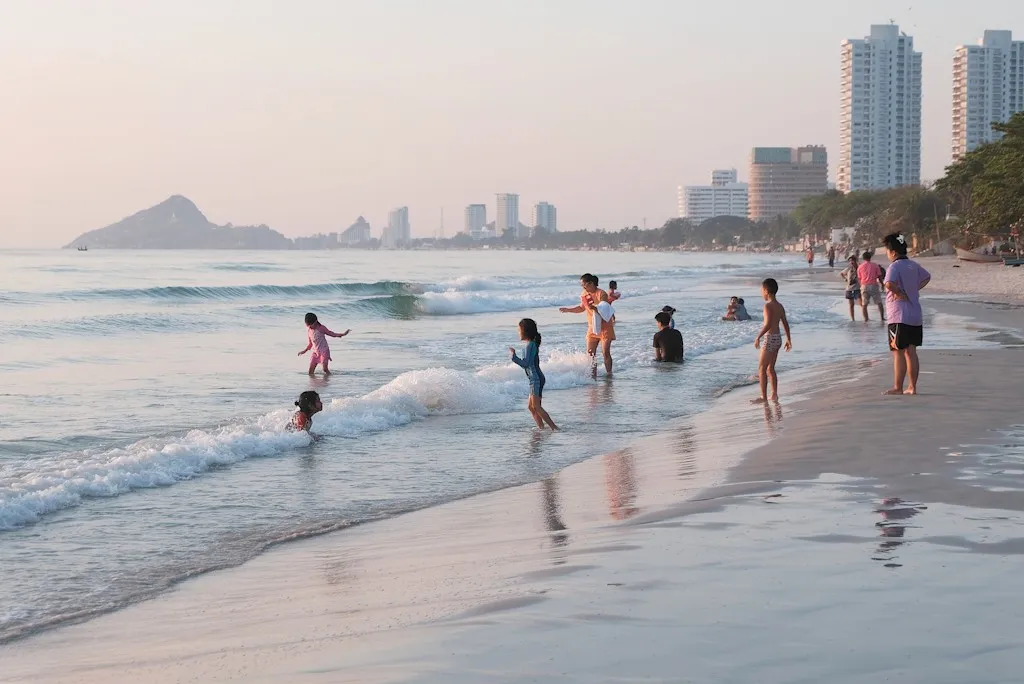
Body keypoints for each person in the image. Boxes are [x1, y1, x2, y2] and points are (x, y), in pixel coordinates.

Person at [882, 233, 931, 396]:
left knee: (898, 352)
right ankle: (912, 387)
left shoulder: (894, 266)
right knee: (911, 352)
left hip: (898, 315)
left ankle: (898, 386)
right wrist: (913, 289)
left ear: (893, 252)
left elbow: (888, 283)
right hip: (915, 315)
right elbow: (927, 277)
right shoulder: (913, 265)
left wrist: (899, 292)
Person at [559, 273, 615, 378]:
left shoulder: (601, 293)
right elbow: (582, 308)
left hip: (605, 326)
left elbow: (604, 308)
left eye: (584, 284)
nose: (583, 287)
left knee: (605, 352)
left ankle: (609, 375)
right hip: (592, 327)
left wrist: (594, 308)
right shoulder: (584, 294)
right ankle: (593, 377)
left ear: (591, 283)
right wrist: (568, 310)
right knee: (590, 354)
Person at [509, 318, 558, 430]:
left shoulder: (530, 345)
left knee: (536, 406)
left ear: (525, 331)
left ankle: (554, 428)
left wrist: (514, 357)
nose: (518, 332)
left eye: (519, 330)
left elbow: (526, 364)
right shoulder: (530, 345)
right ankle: (541, 428)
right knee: (531, 407)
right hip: (534, 379)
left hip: (536, 379)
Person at [753, 278, 792, 403]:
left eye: (761, 290)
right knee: (770, 368)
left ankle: (763, 397)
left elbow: (768, 324)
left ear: (766, 291)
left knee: (762, 368)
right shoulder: (780, 306)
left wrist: (758, 337)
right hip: (778, 338)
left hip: (769, 338)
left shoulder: (768, 306)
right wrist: (788, 339)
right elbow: (785, 323)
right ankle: (774, 394)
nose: (761, 293)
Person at [857, 250, 885, 321]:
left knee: (864, 304)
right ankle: (882, 318)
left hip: (864, 285)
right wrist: (882, 284)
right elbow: (879, 276)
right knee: (879, 302)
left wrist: (861, 286)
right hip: (873, 285)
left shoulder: (860, 267)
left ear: (863, 258)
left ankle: (866, 319)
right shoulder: (875, 265)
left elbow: (859, 278)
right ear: (870, 257)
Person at [840, 255, 863, 321]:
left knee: (862, 304)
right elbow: (841, 273)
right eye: (850, 261)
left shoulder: (859, 268)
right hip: (849, 288)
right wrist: (845, 279)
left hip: (858, 288)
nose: (851, 262)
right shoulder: (848, 268)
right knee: (851, 305)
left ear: (855, 261)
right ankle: (853, 319)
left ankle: (865, 317)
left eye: (852, 260)